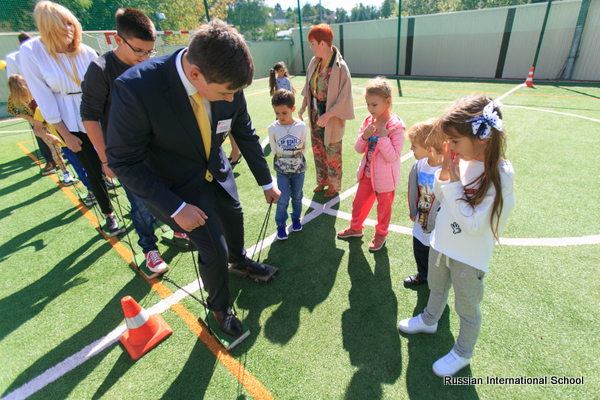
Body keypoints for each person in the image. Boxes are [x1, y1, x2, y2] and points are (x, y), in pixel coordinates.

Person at [106, 19, 280, 338]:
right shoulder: (136, 88)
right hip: (177, 188)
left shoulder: (227, 81)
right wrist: (174, 208)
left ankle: (239, 261)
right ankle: (220, 308)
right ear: (196, 74)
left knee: (235, 217)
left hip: (218, 173)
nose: (232, 100)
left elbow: (244, 131)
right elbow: (122, 160)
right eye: (227, 93)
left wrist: (266, 181)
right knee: (213, 250)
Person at [398, 94, 516, 377]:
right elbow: (442, 197)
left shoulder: (500, 174)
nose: (448, 147)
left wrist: (451, 182)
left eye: (454, 141)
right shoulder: (461, 160)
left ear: (483, 138)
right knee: (437, 287)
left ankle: (463, 352)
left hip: (469, 256)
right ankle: (429, 320)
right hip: (442, 244)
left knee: (467, 307)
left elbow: (473, 225)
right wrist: (447, 173)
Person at [80, 7, 172, 273]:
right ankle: (150, 248)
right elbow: (89, 115)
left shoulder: (149, 64)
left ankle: (175, 229)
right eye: (139, 51)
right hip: (126, 155)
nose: (145, 57)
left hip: (155, 147)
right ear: (118, 40)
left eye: (150, 51)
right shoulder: (101, 69)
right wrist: (105, 157)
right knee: (140, 204)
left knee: (167, 191)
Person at [20, 0, 123, 235]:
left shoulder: (86, 50)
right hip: (69, 120)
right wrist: (65, 134)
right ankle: (109, 214)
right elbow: (43, 97)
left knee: (118, 160)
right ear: (47, 29)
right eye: (61, 25)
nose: (68, 29)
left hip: (98, 114)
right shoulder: (31, 52)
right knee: (92, 167)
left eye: (69, 22)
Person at [337, 77, 405, 251]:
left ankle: (381, 234)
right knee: (358, 204)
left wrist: (382, 137)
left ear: (387, 102)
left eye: (374, 105)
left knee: (383, 210)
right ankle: (356, 228)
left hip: (385, 180)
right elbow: (359, 149)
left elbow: (393, 156)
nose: (369, 109)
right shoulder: (368, 121)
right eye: (367, 104)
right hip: (367, 175)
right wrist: (365, 137)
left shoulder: (396, 126)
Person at [298, 23, 354, 198]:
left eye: (313, 43)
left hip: (331, 118)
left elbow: (345, 97)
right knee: (318, 149)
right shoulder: (314, 62)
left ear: (323, 43)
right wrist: (304, 105)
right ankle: (322, 182)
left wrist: (328, 114)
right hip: (315, 115)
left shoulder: (340, 67)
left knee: (332, 151)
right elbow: (309, 86)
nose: (311, 47)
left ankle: (334, 186)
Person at [7, 74, 74, 185]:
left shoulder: (35, 86)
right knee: (54, 148)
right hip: (41, 125)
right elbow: (10, 109)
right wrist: (28, 117)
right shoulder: (13, 96)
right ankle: (65, 172)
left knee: (68, 142)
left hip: (54, 120)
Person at [5, 31, 55, 175]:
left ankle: (64, 154)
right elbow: (14, 84)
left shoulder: (41, 53)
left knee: (57, 126)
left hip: (46, 96)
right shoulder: (12, 58)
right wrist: (28, 116)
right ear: (21, 45)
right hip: (30, 103)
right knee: (39, 130)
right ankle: (50, 160)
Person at [404, 118, 444, 287]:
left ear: (430, 149)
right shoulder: (419, 164)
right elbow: (413, 187)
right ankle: (423, 274)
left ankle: (437, 281)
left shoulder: (446, 169)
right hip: (422, 216)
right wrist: (414, 210)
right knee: (419, 246)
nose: (411, 149)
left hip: (439, 221)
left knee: (436, 252)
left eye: (414, 146)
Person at [268, 89, 307, 240]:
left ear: (293, 109)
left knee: (297, 196)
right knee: (283, 198)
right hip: (282, 169)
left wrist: (294, 159)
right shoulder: (273, 128)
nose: (280, 117)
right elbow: (273, 149)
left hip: (298, 168)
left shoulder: (301, 126)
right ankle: (281, 225)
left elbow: (303, 146)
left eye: (284, 113)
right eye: (277, 113)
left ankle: (296, 218)